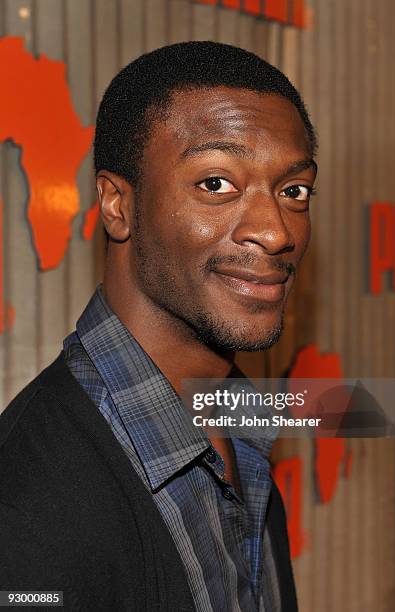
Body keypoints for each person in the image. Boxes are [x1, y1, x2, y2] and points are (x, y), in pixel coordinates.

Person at [0, 41, 317, 611]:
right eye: (216, 183)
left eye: (294, 191)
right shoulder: (28, 500)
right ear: (118, 206)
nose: (276, 231)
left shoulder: (242, 423)